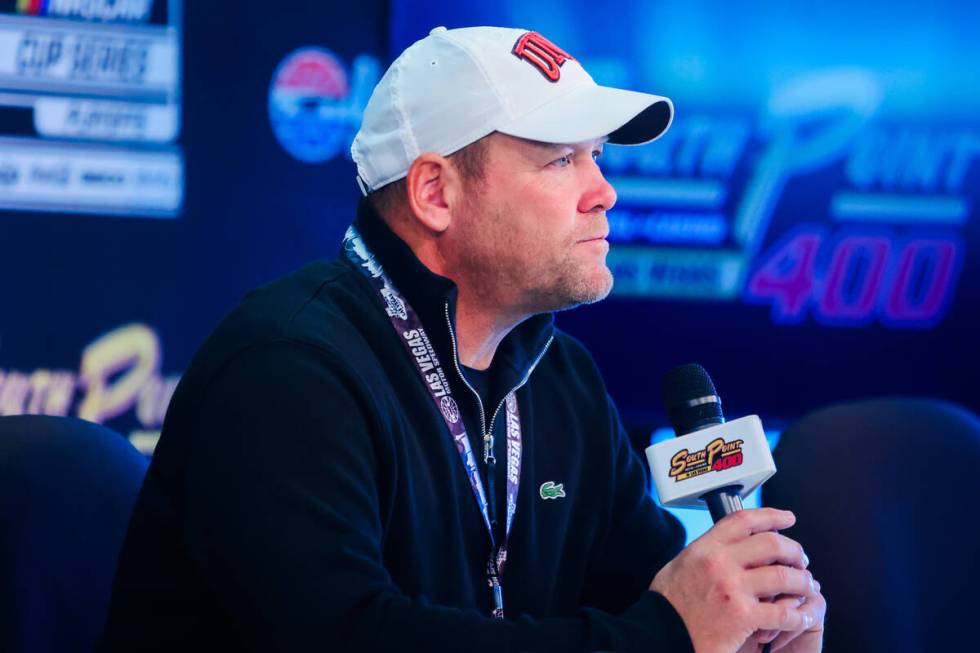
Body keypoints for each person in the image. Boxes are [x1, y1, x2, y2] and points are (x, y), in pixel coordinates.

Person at [99, 26, 826, 652]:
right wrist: (666, 637)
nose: (603, 191)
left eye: (597, 156)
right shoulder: (288, 368)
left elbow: (657, 597)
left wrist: (746, 628)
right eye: (560, 159)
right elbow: (346, 638)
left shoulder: (560, 377)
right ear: (435, 194)